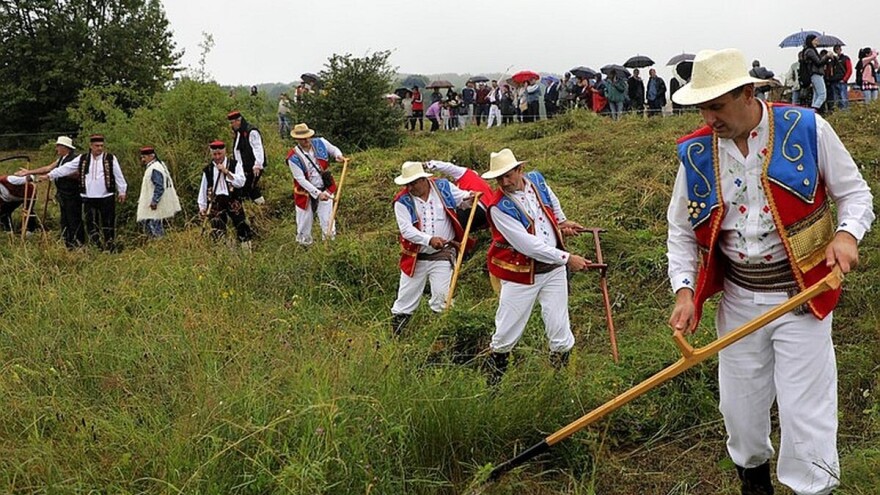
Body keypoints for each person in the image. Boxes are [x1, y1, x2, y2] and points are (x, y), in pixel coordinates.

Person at [668, 48, 874, 495]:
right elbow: (681, 232)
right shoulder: (696, 153)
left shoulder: (807, 128)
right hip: (738, 301)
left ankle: (812, 487)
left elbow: (856, 195)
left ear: (747, 93)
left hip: (803, 296)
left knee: (806, 413)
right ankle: (754, 483)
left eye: (717, 106)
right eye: (701, 107)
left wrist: (846, 235)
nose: (708, 118)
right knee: (739, 411)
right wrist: (685, 292)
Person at [481, 148, 590, 384]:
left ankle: (560, 386)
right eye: (499, 178)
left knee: (559, 328)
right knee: (505, 332)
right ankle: (492, 386)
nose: (504, 182)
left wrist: (561, 222)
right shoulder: (498, 207)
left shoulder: (537, 180)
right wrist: (566, 258)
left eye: (508, 175)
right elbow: (527, 245)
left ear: (520, 170)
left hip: (553, 272)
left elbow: (551, 201)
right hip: (520, 273)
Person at [390, 161, 474, 336]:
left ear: (423, 179)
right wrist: (429, 240)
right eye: (407, 184)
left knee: (443, 298)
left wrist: (471, 197)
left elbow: (463, 199)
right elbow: (407, 231)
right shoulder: (401, 201)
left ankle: (443, 335)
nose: (410, 187)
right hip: (416, 256)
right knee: (406, 299)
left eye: (413, 183)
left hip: (443, 255)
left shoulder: (443, 187)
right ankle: (397, 335)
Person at [43, 134, 127, 251]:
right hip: (89, 197)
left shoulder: (110, 158)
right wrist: (49, 175)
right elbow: (66, 169)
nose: (99, 148)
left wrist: (122, 190)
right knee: (91, 224)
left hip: (106, 196)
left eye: (101, 146)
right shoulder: (83, 159)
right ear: (91, 146)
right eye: (97, 146)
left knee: (108, 223)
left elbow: (118, 175)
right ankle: (96, 247)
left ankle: (110, 246)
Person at [15, 136, 82, 248]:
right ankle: (68, 243)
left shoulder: (74, 159)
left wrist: (60, 173)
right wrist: (29, 172)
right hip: (62, 194)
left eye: (58, 146)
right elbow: (48, 168)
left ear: (65, 147)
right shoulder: (60, 159)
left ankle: (78, 244)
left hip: (72, 194)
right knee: (65, 220)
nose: (56, 149)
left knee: (73, 220)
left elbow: (78, 174)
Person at [287, 123, 346, 245]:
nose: (306, 140)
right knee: (304, 222)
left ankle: (329, 244)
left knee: (328, 220)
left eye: (307, 137)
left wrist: (338, 155)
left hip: (325, 187)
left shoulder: (320, 142)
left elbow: (333, 149)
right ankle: (305, 246)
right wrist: (318, 194)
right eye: (302, 139)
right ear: (297, 139)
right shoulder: (293, 157)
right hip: (305, 192)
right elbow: (300, 179)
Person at [198, 140, 253, 249]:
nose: (217, 157)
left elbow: (241, 182)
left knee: (241, 224)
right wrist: (202, 206)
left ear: (225, 152)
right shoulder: (208, 169)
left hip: (232, 199)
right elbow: (203, 188)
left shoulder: (235, 164)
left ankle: (247, 251)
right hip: (216, 201)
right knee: (217, 228)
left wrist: (226, 172)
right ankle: (221, 253)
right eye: (214, 154)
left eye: (220, 154)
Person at [424, 159, 495, 231]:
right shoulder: (485, 186)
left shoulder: (466, 174)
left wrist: (428, 164)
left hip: (476, 207)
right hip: (487, 217)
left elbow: (449, 167)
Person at [136, 146, 180, 239]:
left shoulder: (154, 168)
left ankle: (160, 246)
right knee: (150, 225)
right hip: (154, 204)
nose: (143, 159)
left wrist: (154, 201)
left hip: (155, 205)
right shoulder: (159, 166)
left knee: (155, 229)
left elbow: (159, 186)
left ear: (151, 156)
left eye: (144, 157)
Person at [227, 111, 265, 205]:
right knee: (247, 188)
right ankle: (257, 205)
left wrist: (258, 165)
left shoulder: (251, 132)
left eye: (233, 122)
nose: (232, 125)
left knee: (249, 187)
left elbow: (258, 148)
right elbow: (237, 150)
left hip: (253, 166)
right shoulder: (239, 132)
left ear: (238, 121)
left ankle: (261, 205)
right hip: (243, 167)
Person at [801, 34, 834, 113]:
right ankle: (814, 110)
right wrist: (827, 56)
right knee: (822, 94)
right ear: (811, 41)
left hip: (815, 74)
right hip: (815, 73)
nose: (817, 41)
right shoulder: (810, 51)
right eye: (815, 40)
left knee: (816, 95)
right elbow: (818, 62)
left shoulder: (810, 50)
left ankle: (813, 110)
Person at [827, 45, 852, 110]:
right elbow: (829, 70)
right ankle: (838, 113)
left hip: (842, 81)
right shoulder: (832, 60)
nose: (837, 50)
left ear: (840, 49)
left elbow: (849, 70)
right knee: (836, 100)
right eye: (835, 49)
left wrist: (845, 79)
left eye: (838, 49)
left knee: (844, 99)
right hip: (833, 81)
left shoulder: (845, 58)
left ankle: (845, 113)